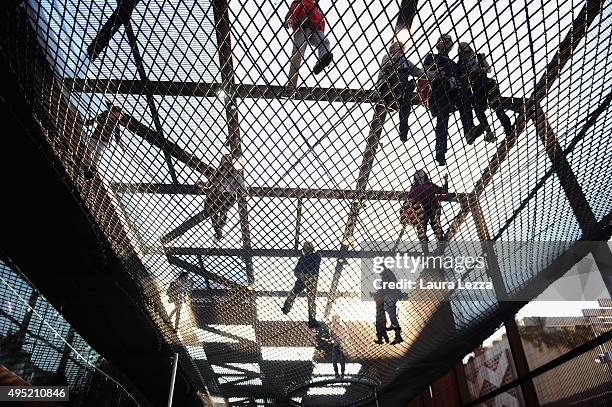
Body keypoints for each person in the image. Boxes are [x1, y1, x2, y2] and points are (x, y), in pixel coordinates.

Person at [423, 34, 483, 166]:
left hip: (455, 90)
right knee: (443, 119)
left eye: (449, 41)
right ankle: (440, 150)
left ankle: (469, 131)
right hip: (440, 89)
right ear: (438, 43)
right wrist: (437, 74)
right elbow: (424, 72)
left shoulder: (453, 63)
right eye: (444, 39)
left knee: (466, 101)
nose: (447, 42)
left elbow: (463, 76)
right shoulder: (432, 57)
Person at [457, 42, 513, 141]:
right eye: (461, 46)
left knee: (497, 106)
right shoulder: (460, 64)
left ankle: (507, 127)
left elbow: (489, 69)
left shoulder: (478, 56)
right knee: (479, 110)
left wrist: (480, 69)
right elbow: (461, 78)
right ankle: (489, 132)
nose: (463, 47)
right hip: (474, 87)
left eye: (465, 45)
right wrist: (467, 75)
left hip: (486, 83)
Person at [377, 41, 424, 142]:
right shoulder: (387, 57)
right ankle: (392, 100)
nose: (401, 49)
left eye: (402, 48)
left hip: (402, 90)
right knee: (399, 77)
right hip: (389, 88)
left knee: (405, 107)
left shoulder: (406, 62)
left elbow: (418, 72)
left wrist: (430, 70)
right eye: (398, 47)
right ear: (392, 49)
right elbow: (385, 68)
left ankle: (403, 132)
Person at [194, 155, 247, 241]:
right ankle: (217, 229)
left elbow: (240, 182)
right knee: (211, 209)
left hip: (228, 195)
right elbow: (209, 183)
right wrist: (202, 184)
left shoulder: (234, 173)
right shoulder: (218, 173)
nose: (226, 166)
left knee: (223, 211)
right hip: (217, 194)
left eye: (227, 163)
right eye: (224, 163)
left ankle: (219, 229)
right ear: (222, 164)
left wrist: (244, 190)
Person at [284, 0, 333, 75]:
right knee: (298, 53)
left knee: (325, 42)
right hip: (303, 26)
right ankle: (292, 78)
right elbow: (294, 8)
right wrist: (290, 18)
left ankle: (322, 61)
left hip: (315, 29)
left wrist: (321, 32)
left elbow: (322, 22)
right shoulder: (303, 1)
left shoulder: (317, 8)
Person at [281, 241, 322, 328]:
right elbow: (295, 270)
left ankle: (312, 319)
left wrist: (307, 274)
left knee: (311, 298)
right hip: (303, 277)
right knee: (294, 292)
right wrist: (300, 275)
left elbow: (316, 266)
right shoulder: (302, 258)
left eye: (309, 244)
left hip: (311, 277)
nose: (307, 245)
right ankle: (286, 307)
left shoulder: (316, 255)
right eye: (305, 245)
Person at [83, 102, 126, 177]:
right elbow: (96, 119)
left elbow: (117, 137)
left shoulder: (116, 123)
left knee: (98, 155)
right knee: (88, 151)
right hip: (95, 136)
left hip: (105, 141)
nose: (118, 116)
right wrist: (88, 122)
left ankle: (92, 170)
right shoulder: (105, 114)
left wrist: (122, 147)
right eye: (118, 114)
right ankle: (87, 167)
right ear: (115, 112)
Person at [403, 170, 448, 241]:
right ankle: (425, 250)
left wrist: (446, 180)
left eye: (420, 172)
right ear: (415, 177)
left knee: (436, 227)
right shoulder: (414, 187)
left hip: (432, 207)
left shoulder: (430, 185)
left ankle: (440, 243)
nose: (418, 174)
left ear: (424, 174)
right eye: (416, 173)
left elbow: (443, 191)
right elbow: (410, 198)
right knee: (421, 230)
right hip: (420, 210)